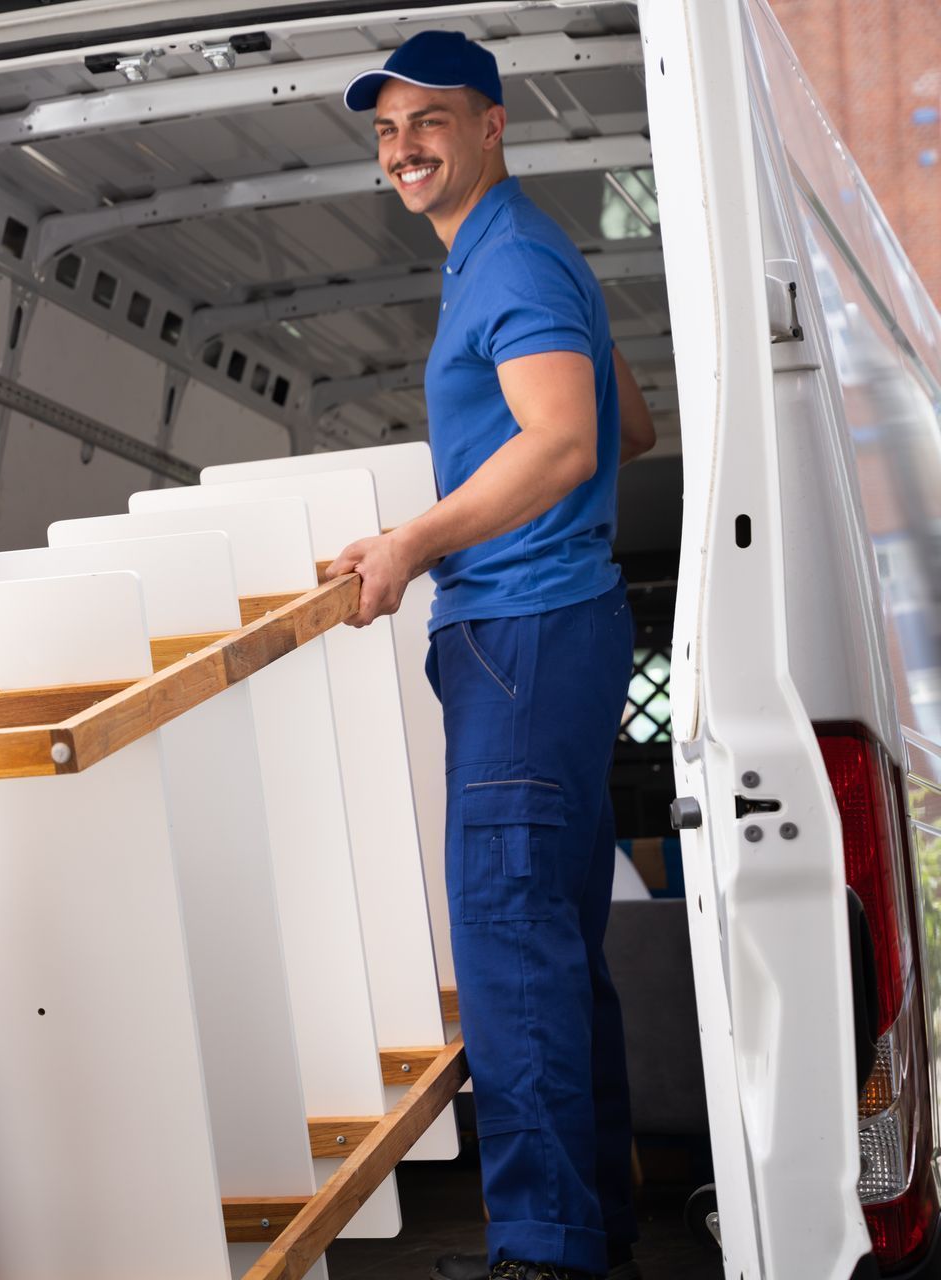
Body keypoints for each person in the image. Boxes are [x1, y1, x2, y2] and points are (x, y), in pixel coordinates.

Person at [328, 30, 658, 1280]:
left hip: (521, 631)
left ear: (491, 126)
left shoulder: (508, 256)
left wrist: (413, 537)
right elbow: (627, 417)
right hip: (548, 633)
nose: (403, 148)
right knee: (557, 945)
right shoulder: (520, 255)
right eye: (385, 132)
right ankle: (596, 1227)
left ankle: (544, 1249)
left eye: (429, 122)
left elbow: (572, 442)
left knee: (513, 948)